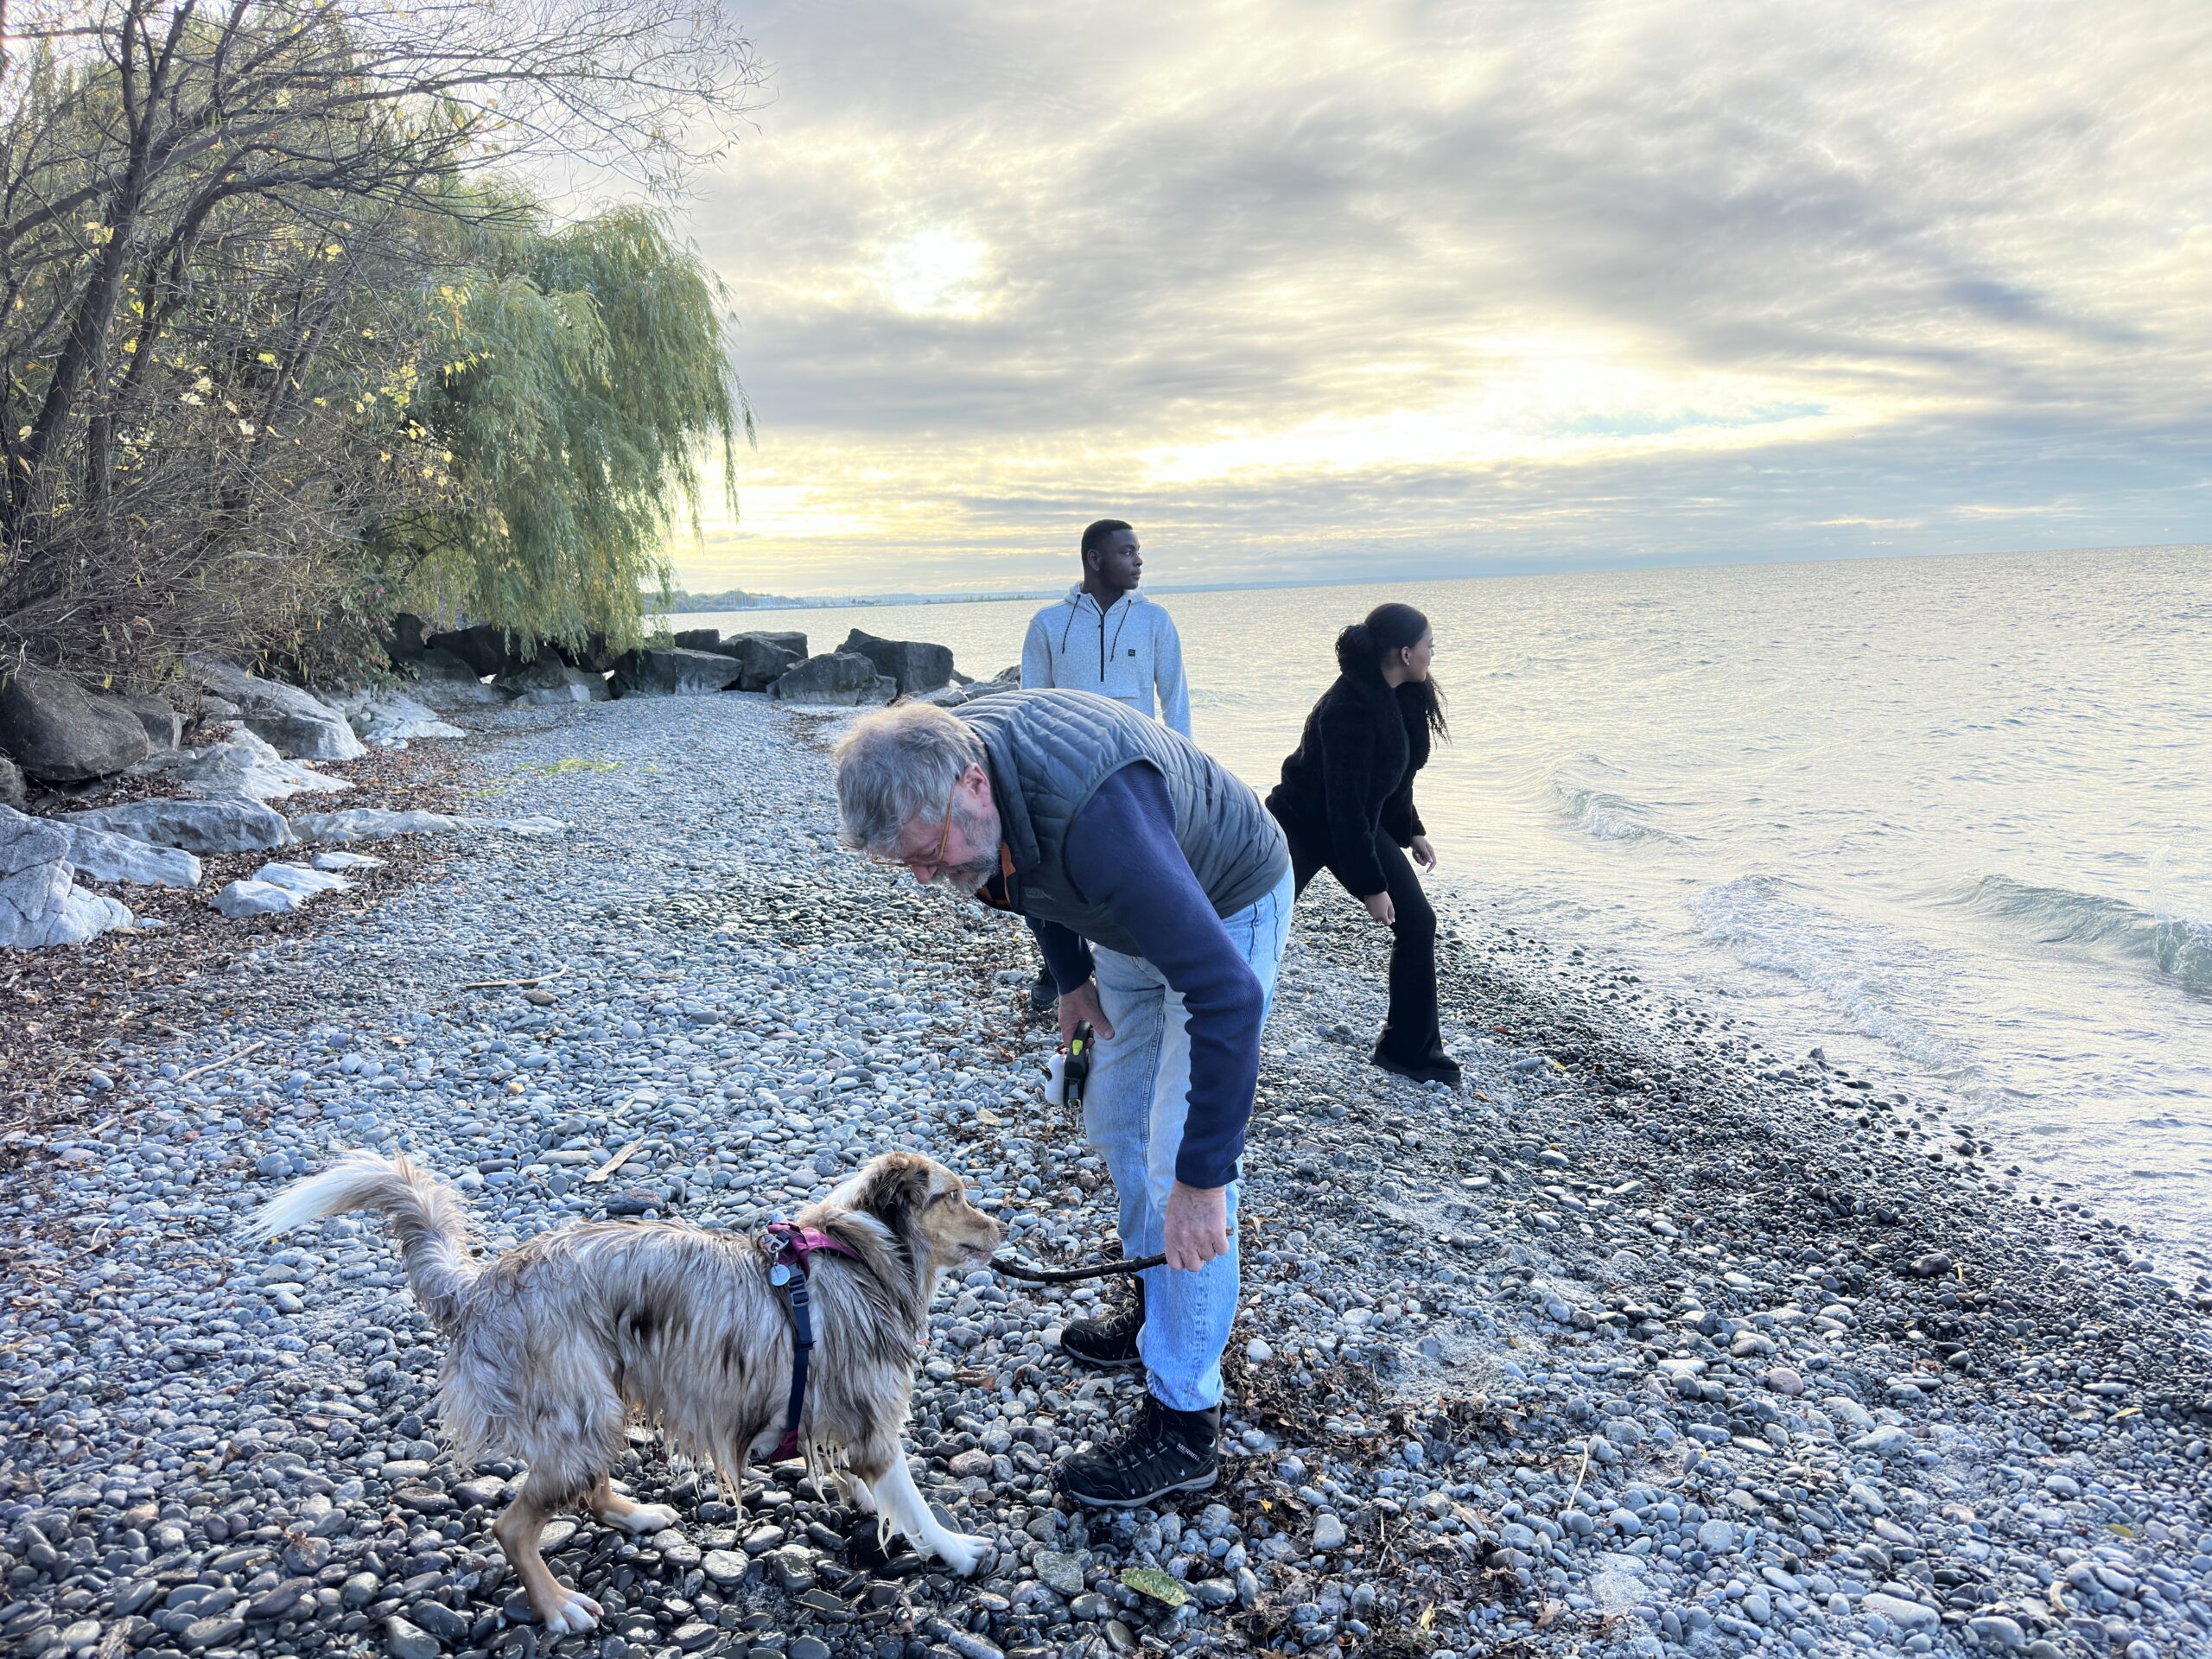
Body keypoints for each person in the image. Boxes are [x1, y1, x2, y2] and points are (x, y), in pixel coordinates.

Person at [834, 692, 1291, 1508]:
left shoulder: (1098, 817)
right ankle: (1159, 1312)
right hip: (1125, 921)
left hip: (1223, 902)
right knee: (1115, 1117)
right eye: (906, 865)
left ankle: (1187, 1420)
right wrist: (1072, 978)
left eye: (928, 852)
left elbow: (1226, 996)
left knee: (1177, 1156)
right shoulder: (964, 802)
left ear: (975, 785)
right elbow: (1017, 873)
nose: (927, 877)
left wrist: (1202, 1182)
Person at [1267, 601, 1459, 1085]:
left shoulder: (1406, 695)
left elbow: (1395, 779)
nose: (1432, 652)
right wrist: (1372, 886)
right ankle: (1178, 1001)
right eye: (1428, 644)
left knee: (1418, 922)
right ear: (1404, 651)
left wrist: (1411, 828)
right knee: (1255, 921)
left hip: (1353, 819)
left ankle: (1407, 1050)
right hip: (1303, 823)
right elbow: (1344, 808)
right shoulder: (1348, 708)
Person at [1016, 519, 1192, 1012]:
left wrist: (1185, 769)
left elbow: (1175, 699)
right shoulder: (1048, 624)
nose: (1139, 561)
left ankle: (1145, 965)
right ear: (1095, 560)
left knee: (1141, 867)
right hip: (1065, 772)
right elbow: (1033, 704)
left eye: (1138, 552)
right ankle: (1059, 972)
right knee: (1053, 872)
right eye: (1128, 552)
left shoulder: (1155, 620)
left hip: (1137, 769)